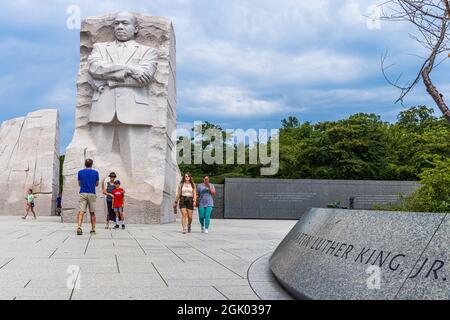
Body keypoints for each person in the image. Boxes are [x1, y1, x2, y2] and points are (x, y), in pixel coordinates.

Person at [76, 159, 100, 236]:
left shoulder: (80, 172)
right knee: (92, 212)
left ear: (85, 164)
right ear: (92, 164)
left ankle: (79, 227)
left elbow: (79, 183)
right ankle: (93, 229)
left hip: (83, 192)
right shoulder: (96, 173)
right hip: (91, 193)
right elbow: (97, 184)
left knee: (81, 211)